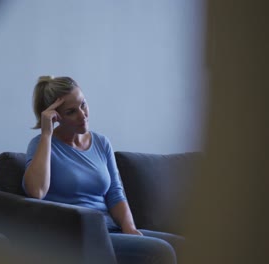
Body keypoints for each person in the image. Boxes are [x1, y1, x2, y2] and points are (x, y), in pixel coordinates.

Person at [22, 76, 184, 264]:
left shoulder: (101, 142)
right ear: (55, 116)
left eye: (83, 104)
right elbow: (36, 191)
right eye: (71, 112)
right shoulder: (42, 145)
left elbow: (115, 193)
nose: (83, 115)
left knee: (184, 246)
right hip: (80, 237)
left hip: (112, 230)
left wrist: (129, 228)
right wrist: (46, 134)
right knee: (160, 251)